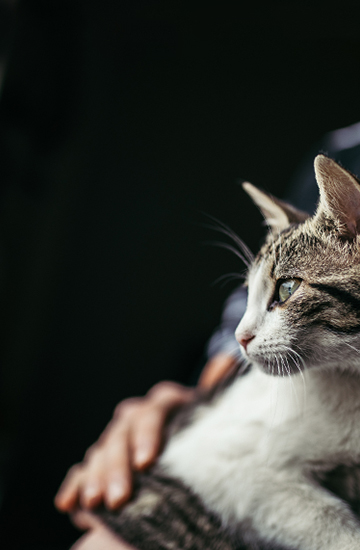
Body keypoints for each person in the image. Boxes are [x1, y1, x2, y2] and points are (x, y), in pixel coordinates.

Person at [55, 121, 360, 548]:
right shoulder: (347, 145)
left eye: (283, 294)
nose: (243, 333)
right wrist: (188, 402)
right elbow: (229, 362)